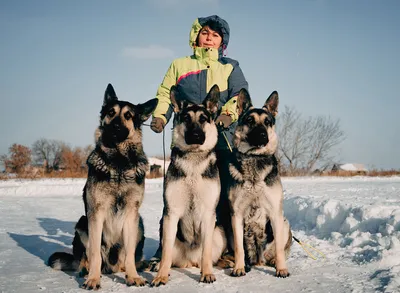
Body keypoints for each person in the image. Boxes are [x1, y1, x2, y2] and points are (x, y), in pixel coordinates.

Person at [149, 15, 248, 264]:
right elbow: (165, 93)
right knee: (172, 202)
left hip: (221, 141)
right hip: (184, 145)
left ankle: (223, 251)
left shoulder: (230, 66)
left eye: (215, 35)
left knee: (222, 198)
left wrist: (227, 116)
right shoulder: (180, 65)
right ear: (196, 36)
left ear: (222, 42)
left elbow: (240, 94)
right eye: (205, 33)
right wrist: (160, 116)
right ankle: (165, 252)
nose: (209, 38)